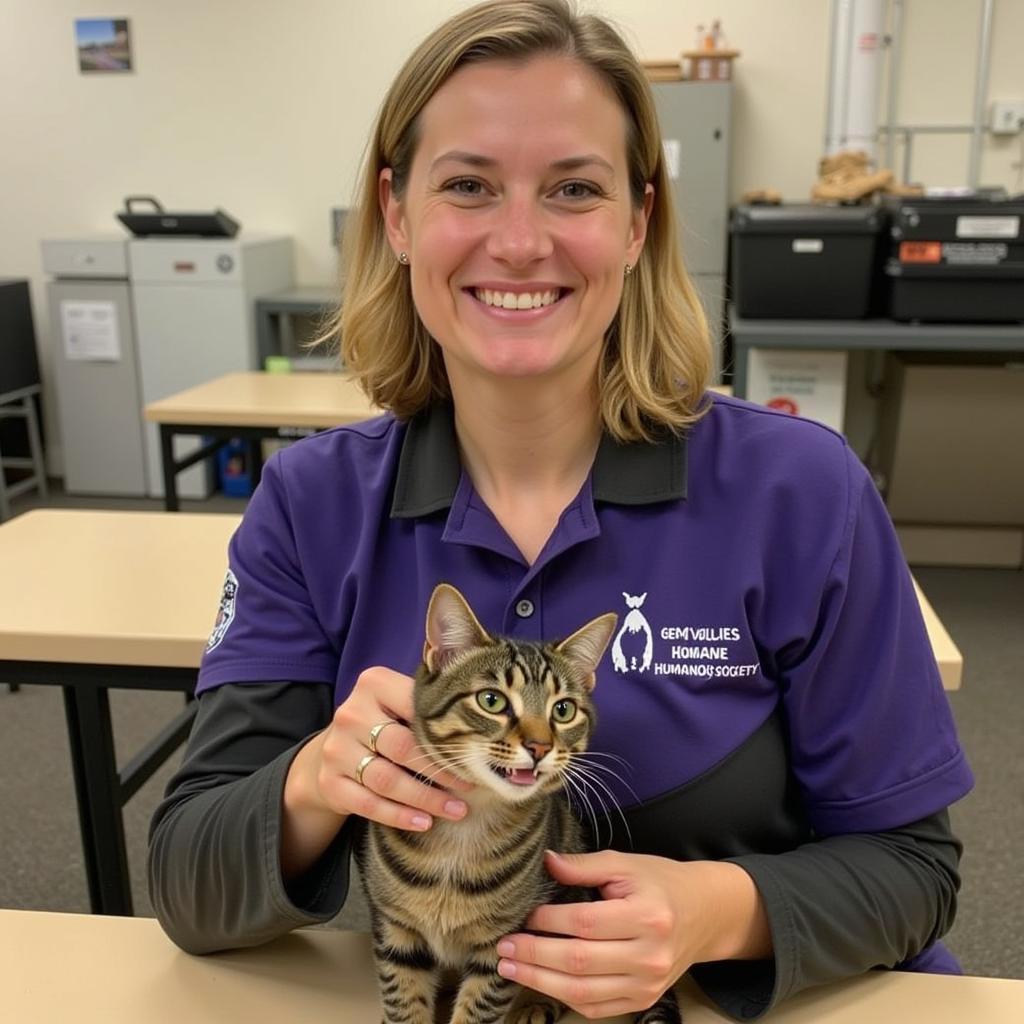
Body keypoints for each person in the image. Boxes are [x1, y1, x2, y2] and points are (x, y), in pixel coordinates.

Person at [148, 1, 974, 1020]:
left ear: (636, 223)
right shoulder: (309, 503)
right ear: (398, 216)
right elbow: (186, 881)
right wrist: (318, 778)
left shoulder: (803, 492)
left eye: (573, 189)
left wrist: (719, 910)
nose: (521, 240)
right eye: (468, 186)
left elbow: (914, 868)